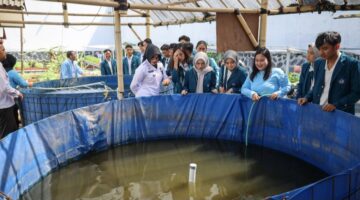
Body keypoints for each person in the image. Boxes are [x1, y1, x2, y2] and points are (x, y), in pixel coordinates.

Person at [298, 31, 360, 114]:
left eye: (325, 48)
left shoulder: (352, 64)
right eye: (319, 49)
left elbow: (356, 93)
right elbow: (316, 87)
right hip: (318, 113)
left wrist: (336, 105)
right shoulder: (318, 63)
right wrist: (307, 98)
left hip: (340, 116)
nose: (321, 53)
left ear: (337, 46)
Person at [0, 44, 23, 138]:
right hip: (4, 106)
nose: (5, 52)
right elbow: (4, 87)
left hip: (3, 105)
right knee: (7, 135)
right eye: (3, 49)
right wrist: (17, 93)